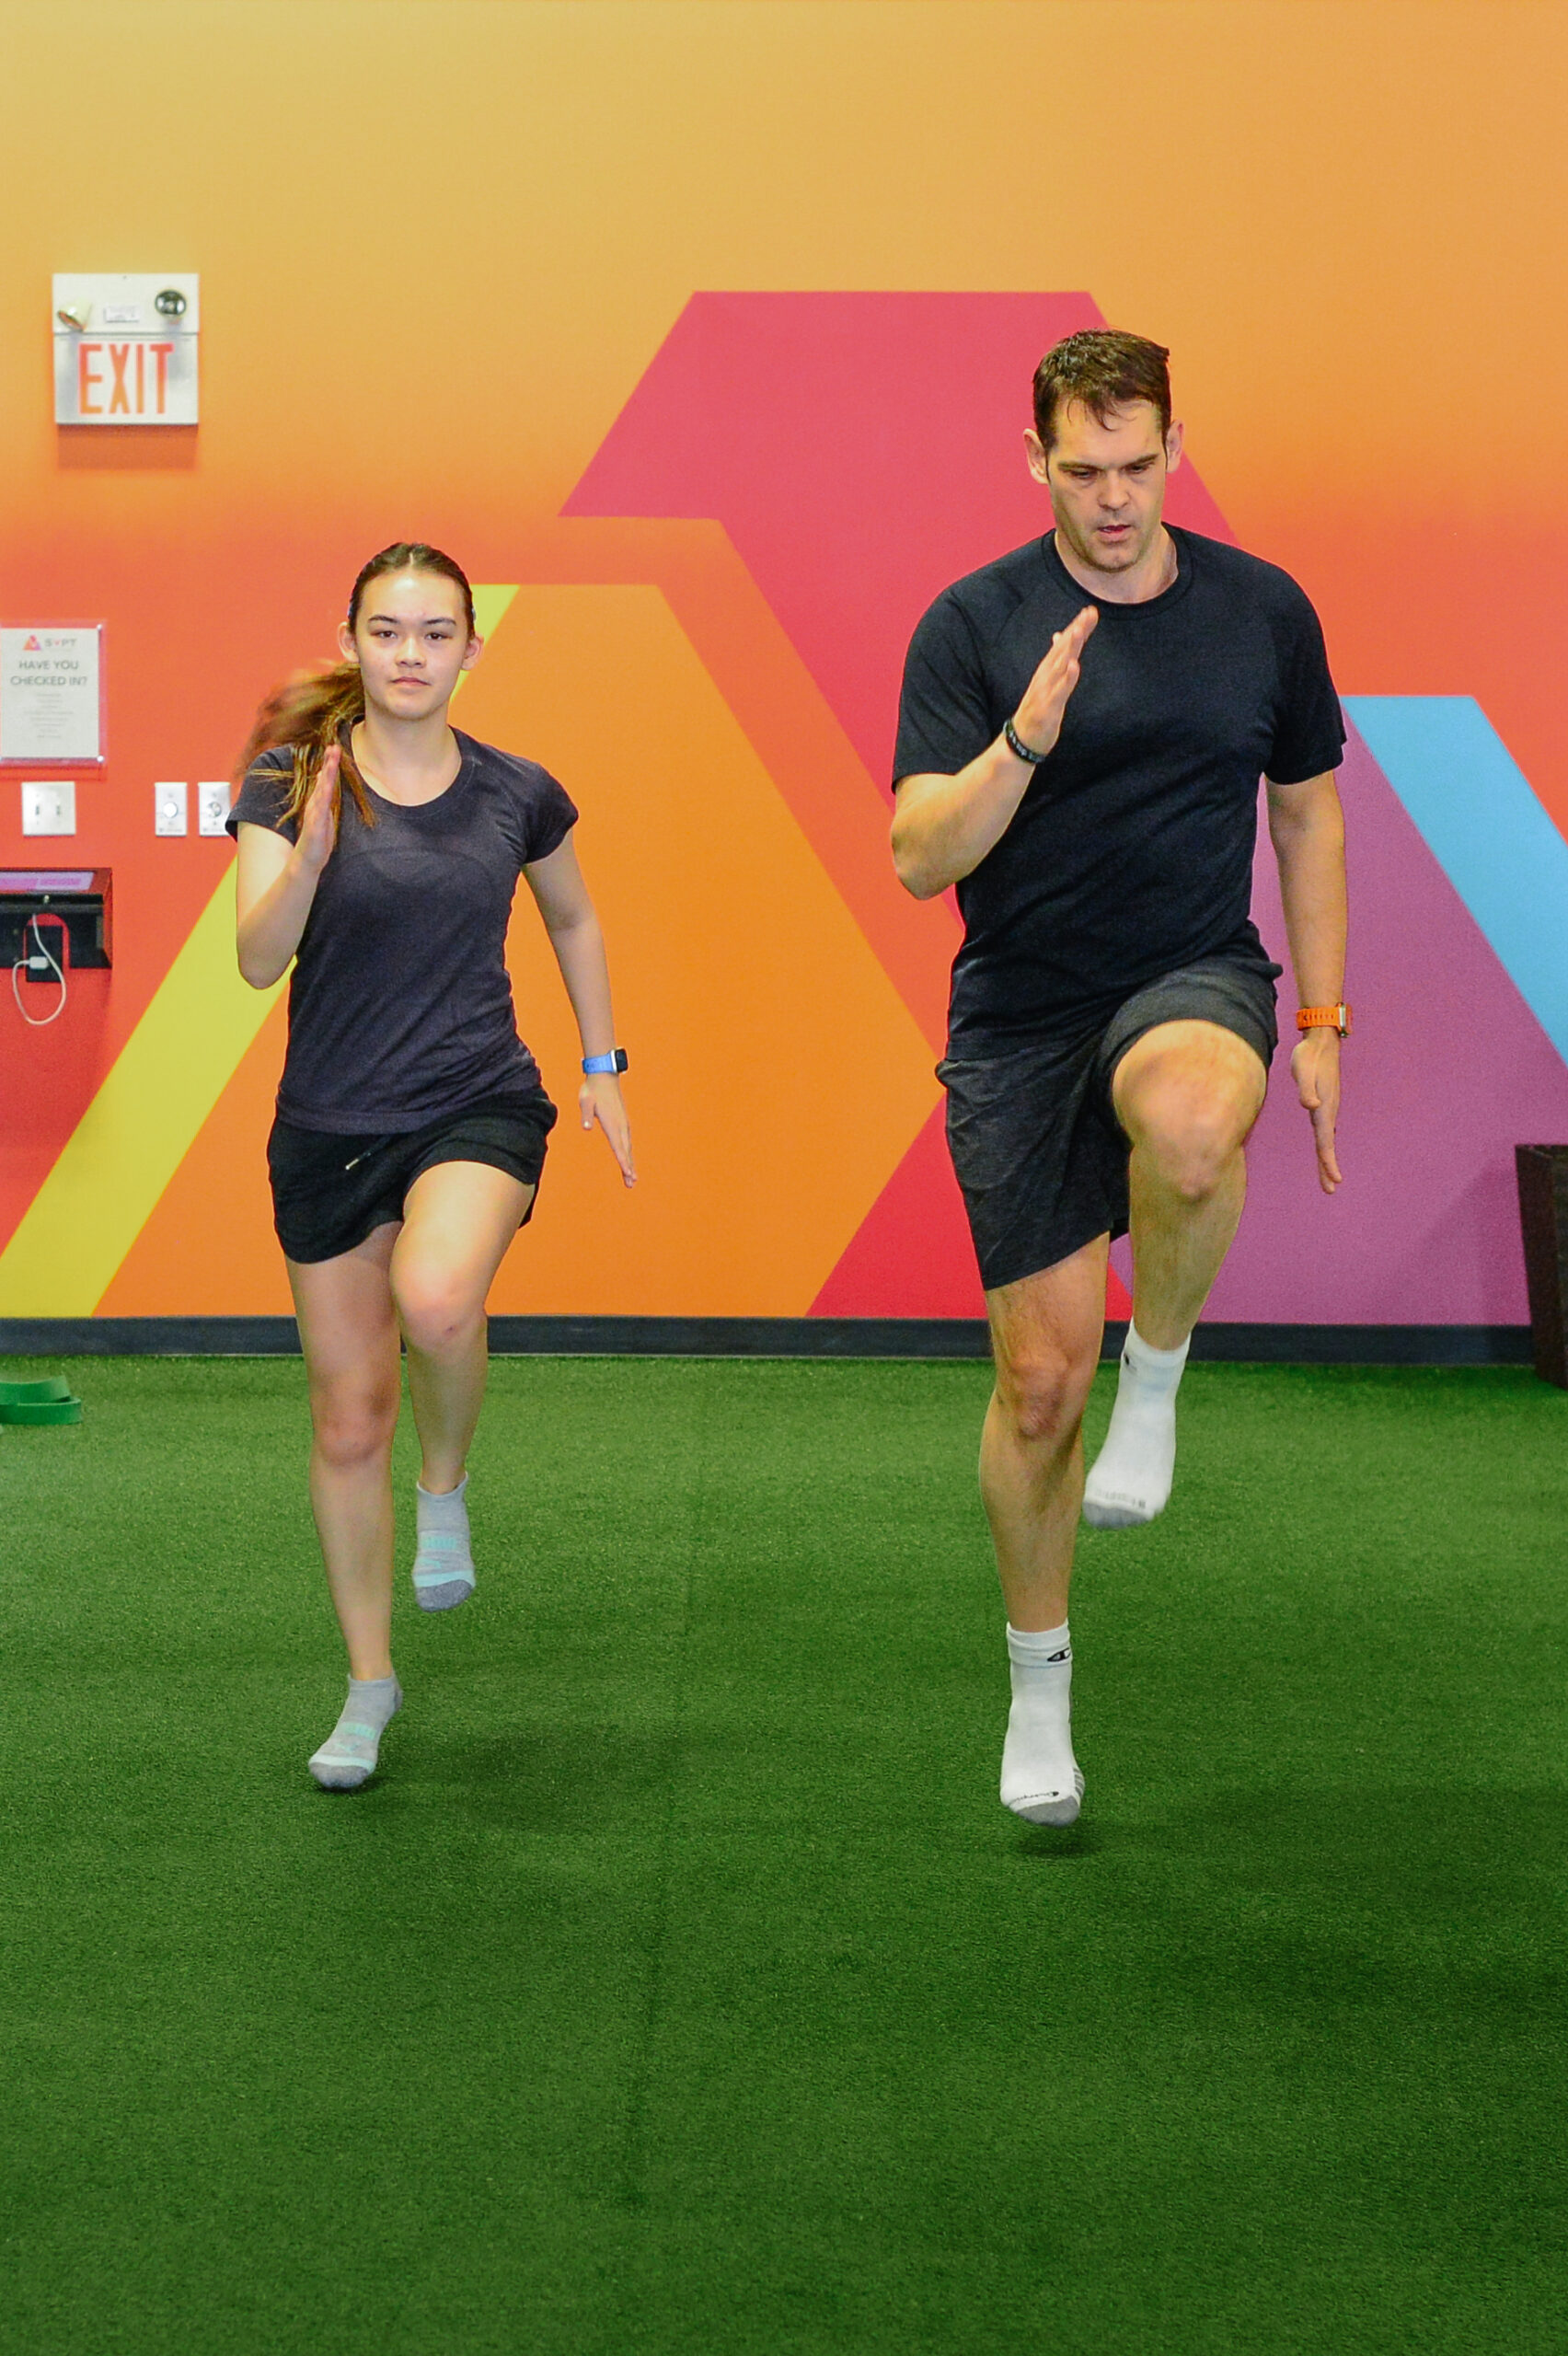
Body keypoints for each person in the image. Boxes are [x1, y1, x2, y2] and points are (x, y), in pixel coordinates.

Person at [891, 331, 1348, 1828]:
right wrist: (1026, 734)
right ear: (1036, 460)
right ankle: (1039, 1687)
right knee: (1036, 1390)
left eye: (1137, 467)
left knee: (1198, 1133)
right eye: (1082, 470)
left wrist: (1322, 1020)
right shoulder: (973, 623)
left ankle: (1157, 1374)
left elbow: (1307, 817)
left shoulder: (1262, 611)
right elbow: (919, 859)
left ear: (1173, 451)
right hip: (1020, 1014)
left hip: (1188, 973)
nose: (1111, 499)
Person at [231, 541, 634, 1791]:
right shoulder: (289, 781)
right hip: (328, 1125)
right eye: (388, 631)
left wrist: (603, 1064)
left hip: (477, 1100)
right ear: (351, 641)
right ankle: (369, 1687)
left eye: (435, 632)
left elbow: (573, 914)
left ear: (471, 649)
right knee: (348, 1419)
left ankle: (445, 1486)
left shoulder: (518, 792)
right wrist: (310, 853)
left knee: (440, 1296)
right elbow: (256, 961)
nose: (410, 654)